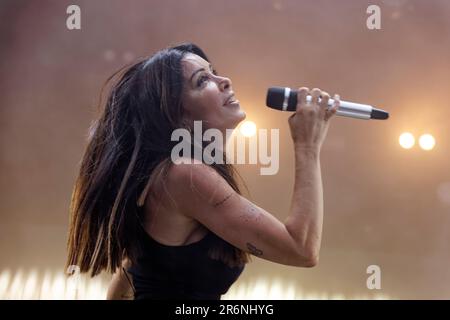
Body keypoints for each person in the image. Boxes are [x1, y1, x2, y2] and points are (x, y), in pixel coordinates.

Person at [66, 43, 340, 300]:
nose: (224, 81)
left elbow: (131, 268)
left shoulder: (167, 176)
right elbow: (300, 249)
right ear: (177, 115)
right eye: (202, 80)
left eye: (214, 72)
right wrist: (307, 145)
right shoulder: (184, 175)